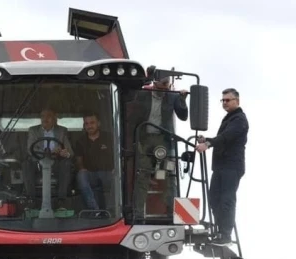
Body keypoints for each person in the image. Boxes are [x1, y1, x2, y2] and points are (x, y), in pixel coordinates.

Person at [128, 66, 189, 217]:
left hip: (163, 139)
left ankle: (172, 212)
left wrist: (182, 100)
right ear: (154, 84)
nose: (163, 91)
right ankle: (138, 214)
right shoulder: (143, 94)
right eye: (160, 87)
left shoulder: (172, 96)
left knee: (169, 174)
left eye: (166, 87)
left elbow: (183, 116)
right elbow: (132, 114)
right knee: (143, 173)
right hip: (144, 138)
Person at [195, 88, 249, 246]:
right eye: (223, 100)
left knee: (226, 199)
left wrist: (209, 144)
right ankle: (220, 231)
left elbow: (227, 137)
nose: (224, 103)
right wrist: (207, 139)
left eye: (228, 100)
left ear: (237, 101)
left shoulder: (239, 119)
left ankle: (225, 236)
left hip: (231, 167)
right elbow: (222, 138)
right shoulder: (229, 118)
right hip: (220, 167)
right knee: (214, 199)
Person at [23, 108, 74, 208]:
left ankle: (61, 200)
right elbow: (30, 149)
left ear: (55, 118)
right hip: (38, 162)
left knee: (67, 164)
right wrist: (49, 152)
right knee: (26, 164)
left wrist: (65, 153)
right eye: (42, 116)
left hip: (56, 163)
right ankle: (31, 199)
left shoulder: (62, 131)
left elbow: (70, 152)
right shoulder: (33, 130)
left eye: (48, 116)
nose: (45, 119)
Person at [73, 111, 114, 211]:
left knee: (118, 176)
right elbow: (79, 161)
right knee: (81, 176)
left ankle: (111, 211)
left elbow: (116, 155)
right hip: (90, 174)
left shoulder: (109, 138)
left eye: (92, 123)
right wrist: (82, 168)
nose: (89, 126)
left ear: (98, 123)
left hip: (108, 173)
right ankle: (95, 210)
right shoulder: (80, 141)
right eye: (86, 124)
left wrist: (115, 169)